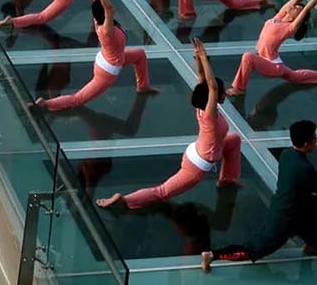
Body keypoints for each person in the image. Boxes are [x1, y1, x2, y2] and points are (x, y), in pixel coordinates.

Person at [95, 38, 233, 205]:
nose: (225, 94)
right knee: (162, 192)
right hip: (197, 166)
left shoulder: (203, 108)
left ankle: (228, 178)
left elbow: (203, 82)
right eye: (223, 92)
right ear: (215, 97)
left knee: (234, 140)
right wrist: (203, 58)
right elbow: (212, 87)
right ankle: (123, 200)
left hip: (198, 150)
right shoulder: (210, 117)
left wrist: (200, 60)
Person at [203, 120, 317, 269]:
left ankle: (314, 247)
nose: (316, 141)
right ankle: (212, 255)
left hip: (297, 210)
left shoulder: (288, 154)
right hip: (285, 217)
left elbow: (315, 179)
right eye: (314, 138)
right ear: (306, 144)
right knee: (254, 249)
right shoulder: (303, 168)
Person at [38, 0, 155, 111]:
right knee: (78, 99)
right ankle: (46, 104)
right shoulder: (107, 30)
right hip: (107, 70)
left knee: (139, 54)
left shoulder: (98, 20)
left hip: (112, 57)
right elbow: (109, 8)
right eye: (108, 10)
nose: (112, 9)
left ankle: (143, 86)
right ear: (105, 14)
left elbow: (98, 2)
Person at [229, 0, 317, 96]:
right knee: (294, 76)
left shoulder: (290, 27)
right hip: (271, 60)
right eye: (296, 6)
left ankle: (239, 89)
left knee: (247, 57)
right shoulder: (278, 17)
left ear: (297, 17)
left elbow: (308, 7)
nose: (294, 6)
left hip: (272, 65)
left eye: (297, 9)